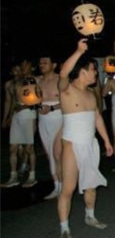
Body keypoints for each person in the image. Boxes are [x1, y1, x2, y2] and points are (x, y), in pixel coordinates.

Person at [57, 39, 114, 238]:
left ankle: (90, 217)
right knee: (68, 188)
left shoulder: (91, 94)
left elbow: (97, 117)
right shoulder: (67, 90)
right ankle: (64, 228)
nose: (95, 74)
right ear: (82, 71)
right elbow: (63, 73)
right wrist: (79, 51)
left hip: (90, 144)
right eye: (93, 70)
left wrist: (106, 141)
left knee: (91, 184)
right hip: (71, 144)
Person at [1, 60, 38, 188]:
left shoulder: (31, 80)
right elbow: (9, 101)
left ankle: (32, 176)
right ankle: (13, 176)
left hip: (28, 115)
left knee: (29, 148)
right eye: (18, 68)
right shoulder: (12, 84)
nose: (20, 70)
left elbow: (37, 100)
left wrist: (25, 106)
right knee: (13, 148)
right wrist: (6, 118)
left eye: (22, 68)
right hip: (16, 116)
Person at [37, 55, 63, 199]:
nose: (42, 65)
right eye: (40, 62)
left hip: (58, 117)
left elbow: (67, 101)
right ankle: (56, 185)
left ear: (53, 65)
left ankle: (63, 186)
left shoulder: (60, 80)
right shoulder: (37, 81)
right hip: (43, 119)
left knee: (57, 154)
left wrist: (52, 108)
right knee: (49, 154)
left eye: (45, 62)